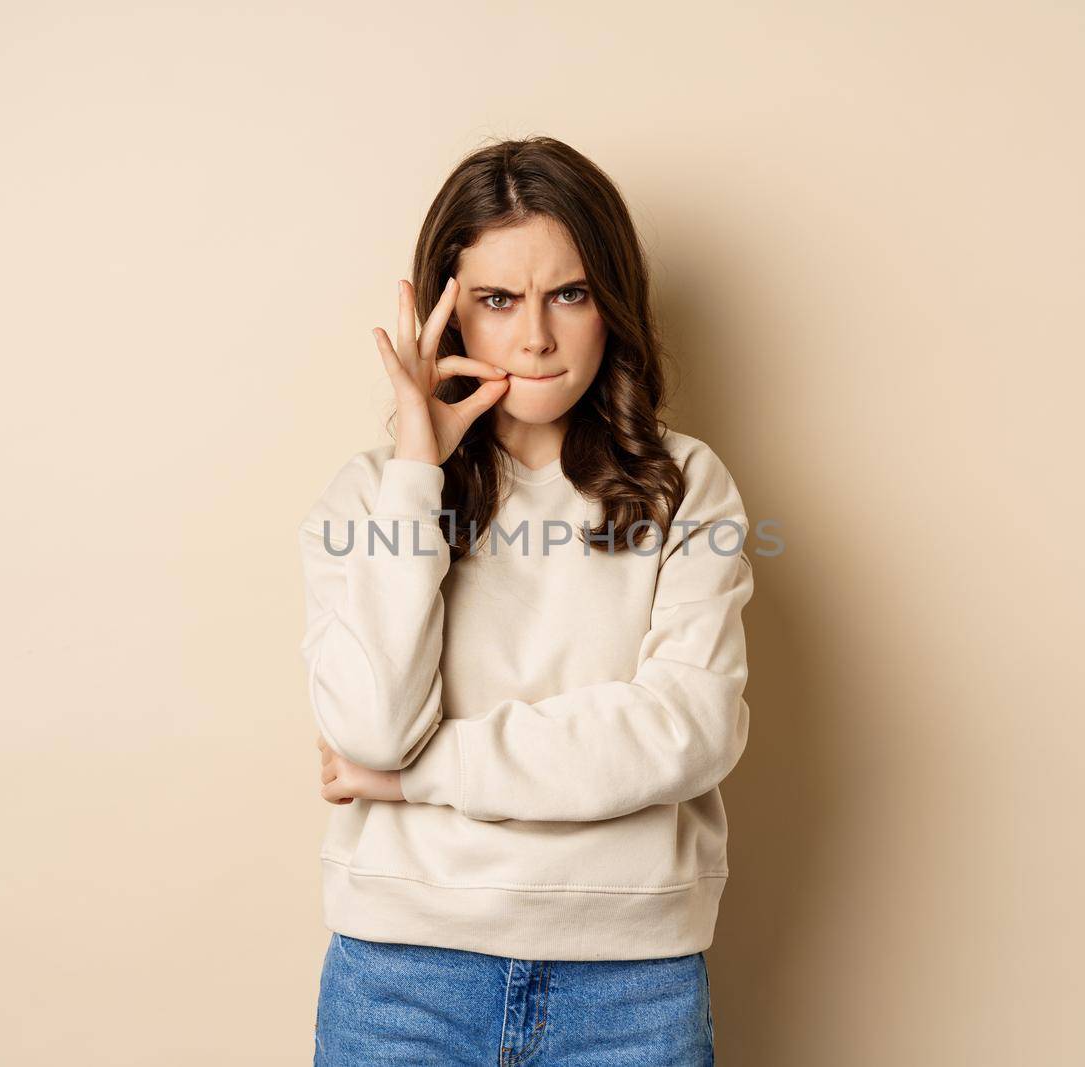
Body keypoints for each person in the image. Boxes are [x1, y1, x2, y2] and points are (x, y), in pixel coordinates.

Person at [297, 136, 753, 1065]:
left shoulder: (686, 485)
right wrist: (418, 473)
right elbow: (373, 730)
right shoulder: (371, 498)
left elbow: (687, 730)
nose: (536, 336)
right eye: (498, 300)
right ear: (448, 315)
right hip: (401, 981)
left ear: (611, 303)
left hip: (632, 985)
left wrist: (417, 778)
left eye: (569, 294)